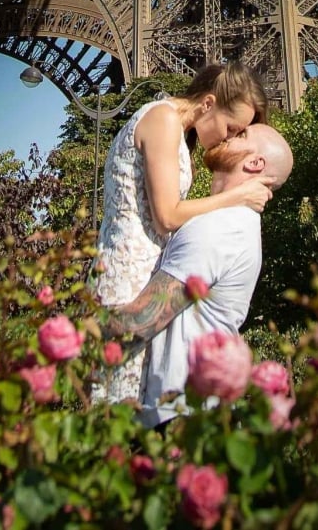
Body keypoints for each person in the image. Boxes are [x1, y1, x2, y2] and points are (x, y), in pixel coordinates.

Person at [90, 61, 272, 405]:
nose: (229, 138)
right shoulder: (164, 119)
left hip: (142, 276)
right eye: (232, 128)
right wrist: (236, 196)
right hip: (128, 279)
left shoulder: (173, 127)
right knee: (113, 413)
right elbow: (167, 216)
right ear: (208, 103)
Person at [102, 123, 294, 427]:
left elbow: (140, 323)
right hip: (189, 413)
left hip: (183, 419)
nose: (227, 133)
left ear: (254, 163)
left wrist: (71, 337)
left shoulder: (221, 227)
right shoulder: (226, 220)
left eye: (240, 135)